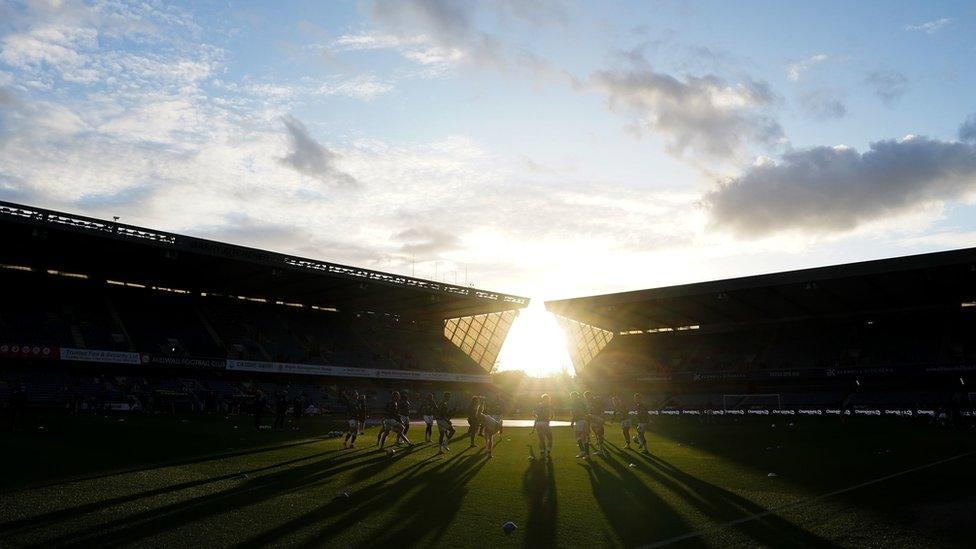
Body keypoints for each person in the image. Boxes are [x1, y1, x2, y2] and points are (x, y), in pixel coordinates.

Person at [532, 393, 554, 460]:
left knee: (541, 439)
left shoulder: (539, 405)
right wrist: (549, 418)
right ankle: (548, 450)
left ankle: (542, 451)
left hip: (538, 423)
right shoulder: (549, 405)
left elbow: (534, 414)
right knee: (550, 438)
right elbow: (552, 414)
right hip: (545, 422)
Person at [570, 391, 590, 459]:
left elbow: (576, 413)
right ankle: (586, 454)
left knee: (578, 436)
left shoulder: (575, 404)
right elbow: (586, 412)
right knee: (584, 437)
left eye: (572, 396)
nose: (572, 398)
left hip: (580, 421)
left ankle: (583, 451)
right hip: (584, 420)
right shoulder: (582, 403)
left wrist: (572, 421)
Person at [586, 391, 607, 456]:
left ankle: (600, 449)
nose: (587, 398)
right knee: (596, 433)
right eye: (586, 397)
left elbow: (600, 408)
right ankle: (600, 446)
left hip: (597, 418)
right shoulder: (589, 402)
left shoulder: (595, 400)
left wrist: (599, 416)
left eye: (588, 396)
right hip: (593, 419)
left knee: (599, 434)